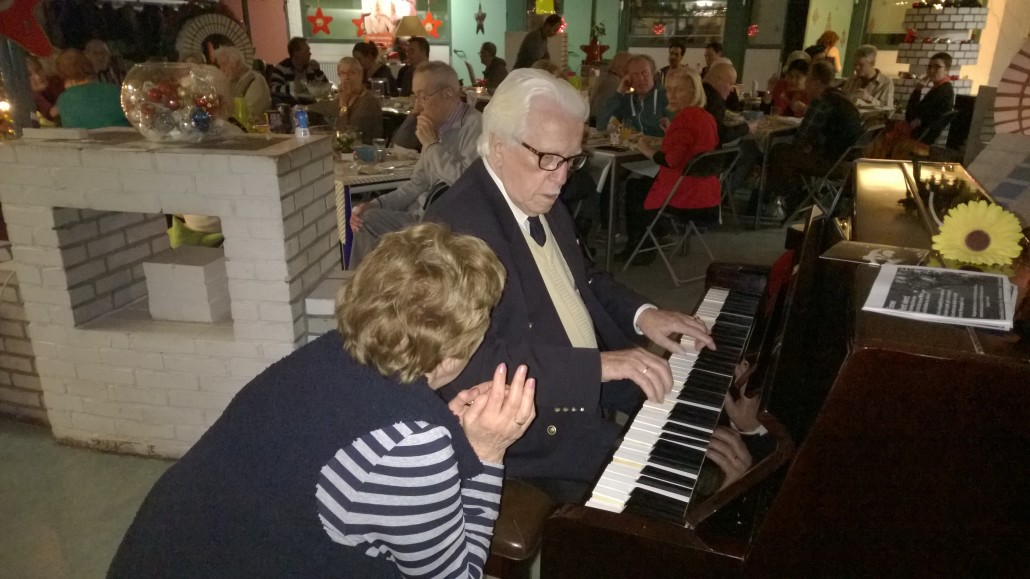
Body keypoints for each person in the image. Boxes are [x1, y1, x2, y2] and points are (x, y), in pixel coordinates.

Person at [108, 223, 536, 577]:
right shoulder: (412, 445)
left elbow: (355, 453)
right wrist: (487, 453)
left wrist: (442, 428)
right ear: (456, 349)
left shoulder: (330, 351)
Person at [425, 68, 721, 503]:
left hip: (587, 381)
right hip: (536, 432)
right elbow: (468, 362)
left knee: (711, 427)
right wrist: (602, 366)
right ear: (499, 147)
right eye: (549, 158)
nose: (562, 177)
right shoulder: (457, 230)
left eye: (571, 160)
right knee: (691, 492)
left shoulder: (533, 189)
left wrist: (645, 315)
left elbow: (584, 278)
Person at [349, 61, 482, 266]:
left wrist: (431, 145)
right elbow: (417, 184)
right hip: (422, 214)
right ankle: (374, 291)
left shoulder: (475, 126)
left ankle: (362, 293)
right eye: (415, 96)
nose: (417, 106)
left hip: (449, 223)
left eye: (423, 97)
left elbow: (465, 184)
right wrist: (376, 203)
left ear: (448, 94)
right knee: (366, 217)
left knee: (369, 225)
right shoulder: (438, 126)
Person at [621, 67, 720, 266]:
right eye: (668, 90)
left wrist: (644, 147)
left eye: (678, 90)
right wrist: (670, 134)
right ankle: (656, 234)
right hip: (707, 194)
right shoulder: (706, 117)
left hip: (684, 197)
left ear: (693, 92)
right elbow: (692, 151)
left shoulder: (685, 118)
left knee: (634, 187)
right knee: (641, 184)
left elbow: (669, 161)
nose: (671, 95)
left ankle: (640, 246)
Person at [764, 59, 861, 212]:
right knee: (792, 155)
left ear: (816, 81)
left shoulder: (822, 101)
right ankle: (798, 198)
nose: (806, 84)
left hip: (829, 163)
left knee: (780, 152)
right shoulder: (843, 98)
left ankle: (781, 201)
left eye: (808, 79)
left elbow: (802, 138)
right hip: (847, 161)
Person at [54, 49, 130, 130]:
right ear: (89, 65)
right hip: (124, 138)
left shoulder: (64, 100)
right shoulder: (114, 90)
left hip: (84, 141)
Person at [597, 54, 668, 137]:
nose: (640, 79)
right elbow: (601, 125)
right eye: (635, 75)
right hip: (630, 148)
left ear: (653, 74)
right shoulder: (626, 100)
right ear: (629, 78)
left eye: (644, 73)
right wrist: (619, 92)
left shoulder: (666, 97)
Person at [214, 46, 271, 127]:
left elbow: (251, 113)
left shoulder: (255, 80)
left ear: (238, 64)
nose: (222, 69)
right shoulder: (232, 83)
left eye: (224, 64)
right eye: (220, 66)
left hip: (255, 133)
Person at [906, 51, 955, 145]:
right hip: (920, 136)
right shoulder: (943, 88)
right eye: (929, 66)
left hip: (918, 139)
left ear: (947, 70)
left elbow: (910, 116)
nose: (931, 70)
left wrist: (918, 90)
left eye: (937, 67)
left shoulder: (942, 92)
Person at [333, 56, 383, 141]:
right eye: (343, 73)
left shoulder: (369, 101)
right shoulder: (341, 97)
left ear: (361, 74)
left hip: (364, 149)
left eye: (352, 73)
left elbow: (346, 135)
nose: (347, 77)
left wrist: (343, 105)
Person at [268, 37, 329, 105]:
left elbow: (325, 86)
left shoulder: (310, 67)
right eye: (307, 51)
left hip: (310, 104)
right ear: (297, 53)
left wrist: (318, 71)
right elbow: (272, 89)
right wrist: (293, 88)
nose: (310, 54)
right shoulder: (282, 68)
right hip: (292, 106)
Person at [703, 61, 750, 145]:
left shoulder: (700, 93)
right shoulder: (715, 101)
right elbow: (721, 135)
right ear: (718, 80)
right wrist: (747, 128)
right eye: (730, 83)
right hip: (710, 154)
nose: (732, 90)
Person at [591, 51, 631, 129]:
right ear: (621, 68)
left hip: (593, 119)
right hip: (598, 122)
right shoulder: (616, 82)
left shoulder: (607, 76)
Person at [26, 55, 63, 125]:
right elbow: (51, 114)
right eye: (29, 75)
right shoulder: (31, 98)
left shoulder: (57, 80)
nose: (38, 77)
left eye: (38, 70)